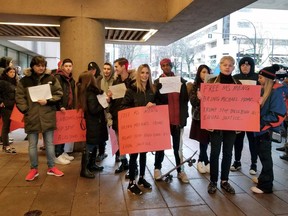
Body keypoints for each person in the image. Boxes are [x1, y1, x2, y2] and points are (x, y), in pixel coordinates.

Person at [15, 55, 64, 181]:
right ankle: (33, 169)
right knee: (32, 145)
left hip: (47, 115)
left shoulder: (51, 79)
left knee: (49, 143)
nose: (41, 68)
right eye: (38, 65)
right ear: (32, 66)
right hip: (32, 116)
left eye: (43, 65)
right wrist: (26, 110)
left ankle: (52, 167)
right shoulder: (24, 81)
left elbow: (59, 93)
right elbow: (19, 97)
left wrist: (48, 101)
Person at [206, 56, 241, 194]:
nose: (227, 67)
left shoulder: (238, 84)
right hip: (215, 123)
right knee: (215, 153)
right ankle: (213, 181)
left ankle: (225, 180)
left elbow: (242, 106)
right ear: (220, 66)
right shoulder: (210, 82)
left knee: (228, 153)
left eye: (231, 65)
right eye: (225, 64)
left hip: (231, 124)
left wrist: (241, 123)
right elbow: (206, 104)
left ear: (233, 67)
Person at [251, 64, 286, 194]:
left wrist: (260, 121)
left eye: (260, 77)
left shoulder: (275, 92)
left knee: (266, 157)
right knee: (263, 155)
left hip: (266, 130)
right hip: (261, 129)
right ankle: (264, 178)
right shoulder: (266, 91)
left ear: (267, 79)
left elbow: (278, 115)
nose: (258, 80)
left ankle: (266, 185)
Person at [153, 58, 189, 183]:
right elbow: (155, 101)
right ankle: (157, 168)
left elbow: (185, 100)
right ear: (161, 67)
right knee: (160, 146)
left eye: (168, 65)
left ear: (171, 66)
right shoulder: (157, 83)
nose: (166, 67)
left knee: (178, 148)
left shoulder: (180, 81)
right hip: (163, 120)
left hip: (177, 120)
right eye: (163, 65)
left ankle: (180, 171)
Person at [121, 64, 155, 195]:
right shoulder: (131, 90)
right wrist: (139, 110)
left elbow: (156, 107)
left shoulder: (151, 90)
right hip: (135, 128)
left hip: (146, 128)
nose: (145, 75)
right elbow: (123, 107)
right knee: (134, 155)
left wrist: (154, 106)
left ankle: (141, 178)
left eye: (147, 73)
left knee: (143, 154)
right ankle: (131, 183)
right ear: (138, 74)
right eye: (142, 73)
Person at [77, 71, 107, 178]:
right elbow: (94, 109)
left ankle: (91, 165)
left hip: (94, 122)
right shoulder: (90, 93)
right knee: (90, 145)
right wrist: (104, 103)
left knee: (94, 144)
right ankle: (84, 170)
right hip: (94, 122)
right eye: (93, 77)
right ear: (90, 79)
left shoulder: (88, 92)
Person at [231, 56, 259, 175]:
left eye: (248, 65)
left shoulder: (257, 78)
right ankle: (237, 161)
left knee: (253, 140)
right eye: (242, 65)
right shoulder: (235, 78)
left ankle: (254, 163)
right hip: (239, 115)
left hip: (252, 115)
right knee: (238, 139)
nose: (245, 67)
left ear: (251, 66)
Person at [108, 57, 135, 174]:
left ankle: (134, 165)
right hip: (117, 113)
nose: (115, 69)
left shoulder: (133, 82)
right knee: (120, 141)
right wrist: (109, 97)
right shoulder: (116, 81)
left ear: (124, 66)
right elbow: (113, 99)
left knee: (131, 141)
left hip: (129, 115)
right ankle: (124, 162)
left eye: (116, 67)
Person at [187, 65, 211, 174]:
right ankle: (202, 161)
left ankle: (203, 160)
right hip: (199, 117)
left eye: (207, 72)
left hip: (211, 117)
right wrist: (198, 97)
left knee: (206, 139)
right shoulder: (195, 85)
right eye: (203, 72)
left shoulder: (213, 85)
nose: (205, 74)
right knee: (203, 140)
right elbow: (193, 102)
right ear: (199, 73)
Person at [54, 58, 76, 165]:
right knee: (59, 133)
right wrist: (60, 106)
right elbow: (56, 93)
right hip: (60, 109)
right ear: (62, 67)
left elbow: (72, 94)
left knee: (64, 132)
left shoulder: (71, 79)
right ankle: (57, 155)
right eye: (66, 66)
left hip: (68, 109)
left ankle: (62, 152)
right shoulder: (58, 77)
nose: (68, 68)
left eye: (70, 66)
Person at [87, 61, 109, 163]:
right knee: (93, 139)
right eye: (90, 70)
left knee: (100, 136)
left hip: (101, 110)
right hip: (95, 111)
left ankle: (101, 153)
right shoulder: (88, 82)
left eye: (94, 69)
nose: (92, 71)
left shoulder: (99, 79)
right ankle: (89, 164)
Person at [0, 66, 17, 153]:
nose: (12, 74)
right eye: (11, 72)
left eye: (14, 72)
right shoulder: (2, 82)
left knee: (8, 126)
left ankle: (5, 145)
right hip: (6, 107)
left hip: (13, 107)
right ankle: (6, 145)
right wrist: (1, 102)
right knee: (6, 126)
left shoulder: (14, 82)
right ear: (6, 73)